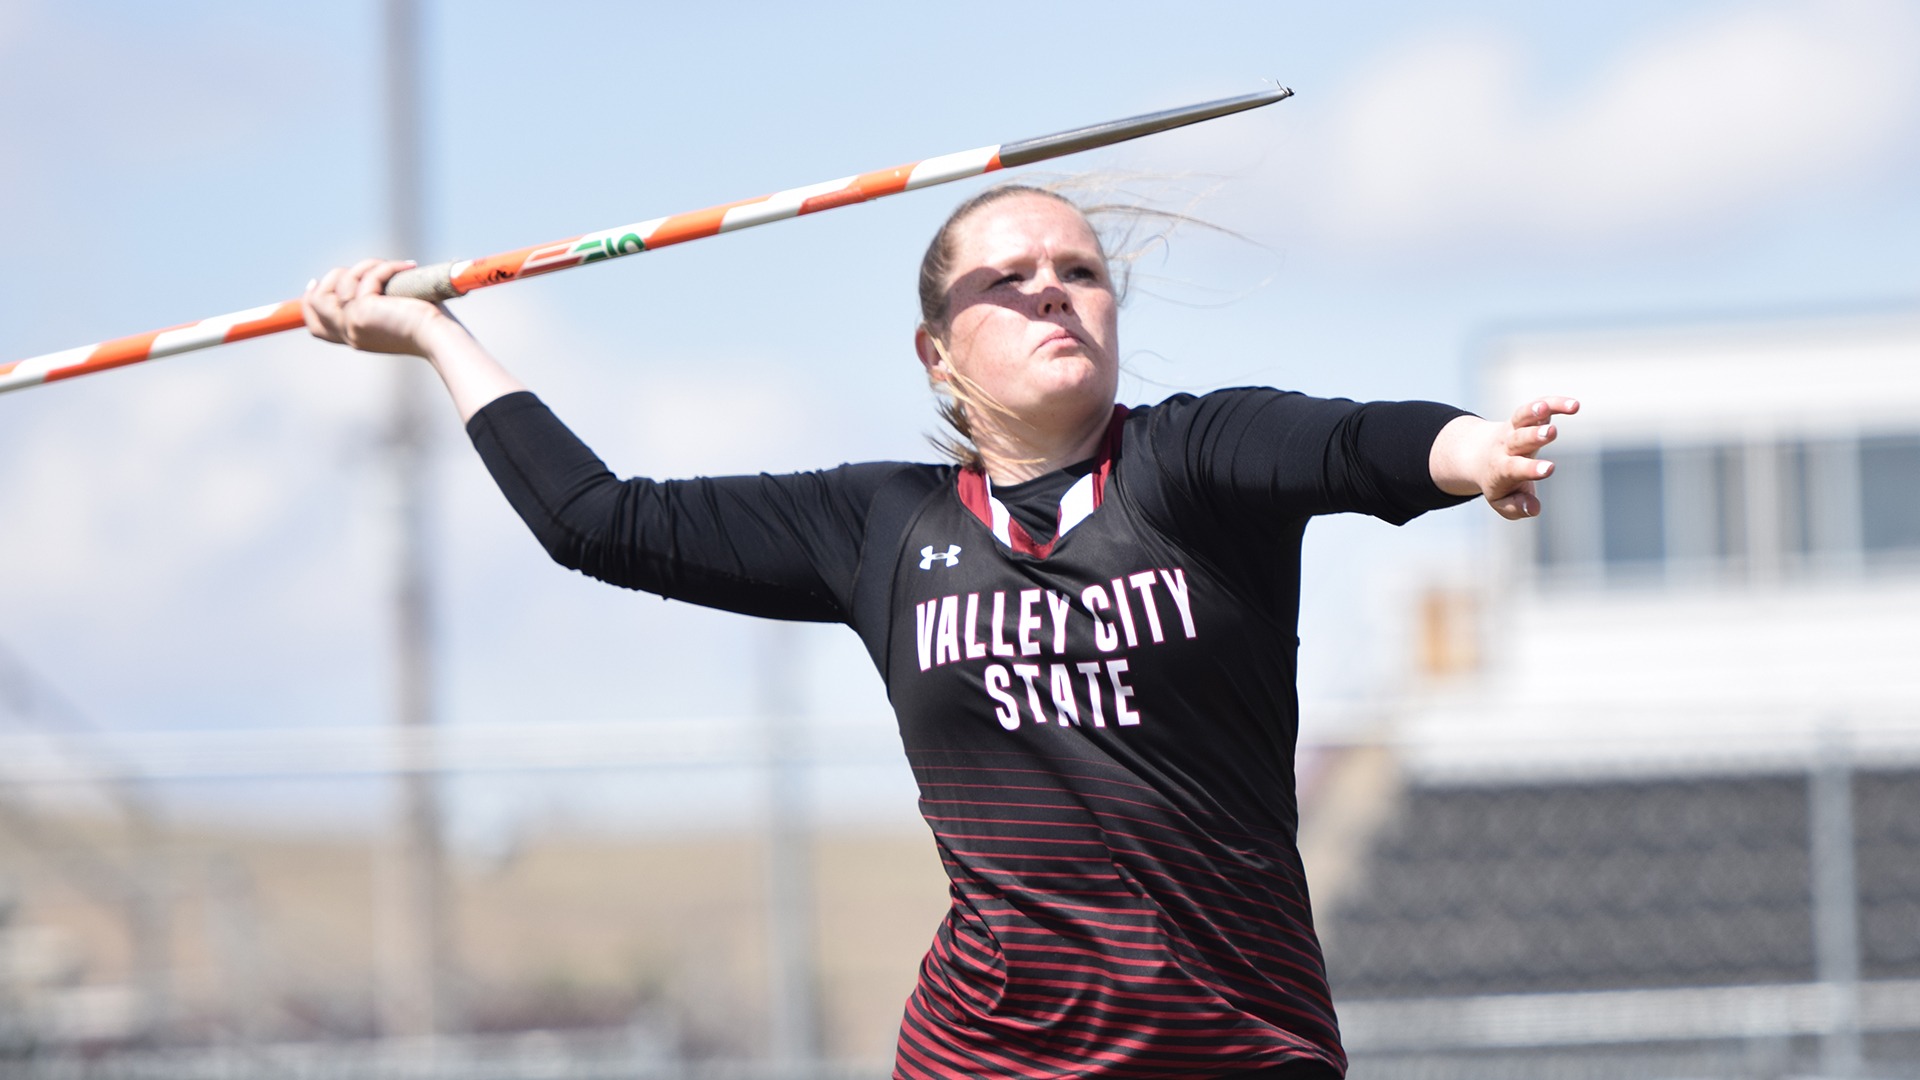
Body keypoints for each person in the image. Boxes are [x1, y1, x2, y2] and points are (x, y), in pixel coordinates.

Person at [304, 184, 1576, 1079]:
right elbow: (598, 520)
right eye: (1009, 280)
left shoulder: (1191, 462)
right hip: (990, 1059)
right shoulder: (878, 527)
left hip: (1240, 1043)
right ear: (937, 352)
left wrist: (1469, 449)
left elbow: (1352, 442)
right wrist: (432, 333)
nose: (1053, 296)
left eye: (1079, 273)